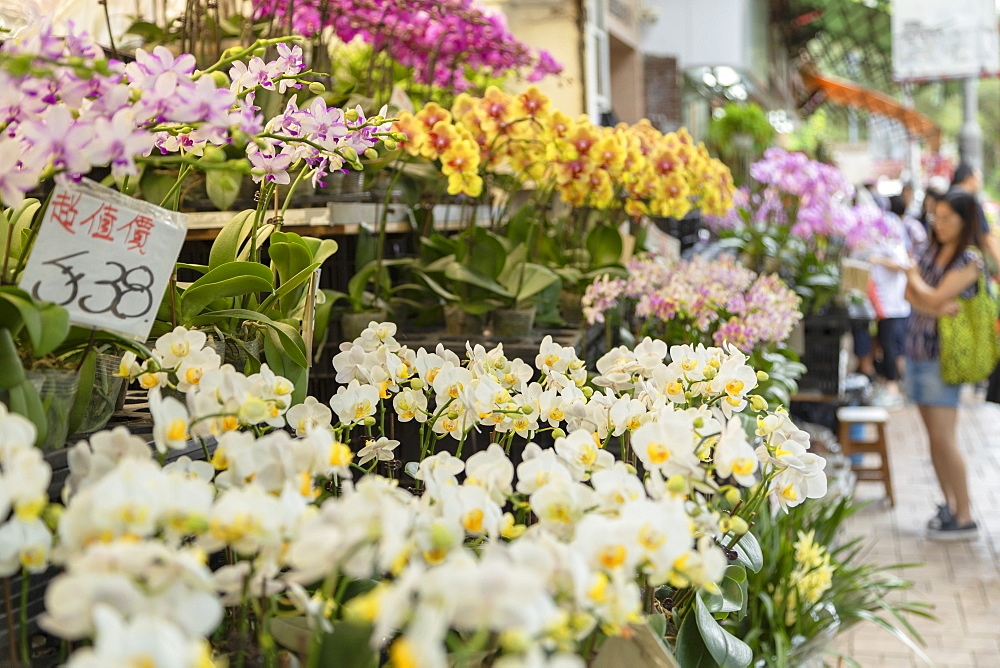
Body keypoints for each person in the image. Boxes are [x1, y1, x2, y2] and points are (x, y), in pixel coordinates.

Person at [903, 190, 985, 540]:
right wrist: (931, 305)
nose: (939, 224)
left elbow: (930, 293)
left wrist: (912, 276)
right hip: (917, 350)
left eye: (948, 218)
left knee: (944, 438)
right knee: (933, 440)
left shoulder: (970, 259)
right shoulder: (932, 249)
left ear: (966, 222)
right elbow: (911, 296)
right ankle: (949, 505)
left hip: (943, 358)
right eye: (937, 216)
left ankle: (965, 516)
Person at [949, 163, 1000, 272]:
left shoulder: (945, 197)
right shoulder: (970, 202)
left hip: (946, 262)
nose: (979, 184)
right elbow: (986, 237)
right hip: (967, 265)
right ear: (969, 179)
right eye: (978, 180)